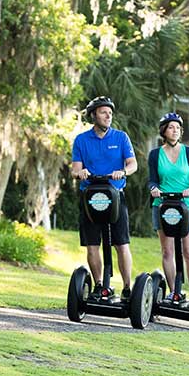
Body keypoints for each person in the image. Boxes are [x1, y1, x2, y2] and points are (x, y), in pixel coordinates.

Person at [70, 96, 138, 299]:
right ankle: (99, 285)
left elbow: (132, 164)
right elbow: (75, 169)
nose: (108, 116)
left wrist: (123, 172)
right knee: (92, 244)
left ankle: (127, 288)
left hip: (115, 196)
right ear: (93, 115)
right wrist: (80, 173)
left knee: (121, 244)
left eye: (110, 112)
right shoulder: (81, 140)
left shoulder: (121, 138)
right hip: (90, 199)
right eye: (103, 112)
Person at [147, 112, 189, 307]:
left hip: (188, 205)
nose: (175, 130)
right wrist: (153, 189)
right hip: (163, 205)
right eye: (171, 127)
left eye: (178, 128)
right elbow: (152, 180)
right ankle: (173, 292)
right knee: (167, 251)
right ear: (164, 130)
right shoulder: (155, 154)